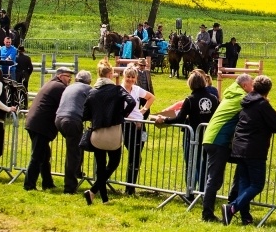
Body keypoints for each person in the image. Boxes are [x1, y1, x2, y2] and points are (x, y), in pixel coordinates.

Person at [222, 75, 276, 226]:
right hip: (254, 150)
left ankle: (245, 216)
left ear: (254, 87)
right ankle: (232, 208)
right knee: (257, 184)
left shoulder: (246, 102)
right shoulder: (262, 104)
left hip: (239, 147)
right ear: (268, 91)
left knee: (244, 182)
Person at [155, 71, 220, 199]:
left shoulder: (189, 100)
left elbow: (179, 119)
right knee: (204, 166)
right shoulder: (214, 99)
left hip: (191, 135)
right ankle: (203, 193)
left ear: (190, 84)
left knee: (191, 164)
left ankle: (190, 194)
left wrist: (164, 119)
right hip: (208, 135)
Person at [201, 73, 254, 223]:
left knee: (242, 163)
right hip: (218, 140)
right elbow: (255, 105)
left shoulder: (233, 93)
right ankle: (207, 214)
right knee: (215, 179)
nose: (253, 88)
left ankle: (233, 203)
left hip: (216, 139)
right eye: (252, 85)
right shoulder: (240, 98)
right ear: (245, 86)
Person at [82, 59, 136, 205]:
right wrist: (122, 115)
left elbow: (85, 114)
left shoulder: (92, 92)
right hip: (114, 133)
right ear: (111, 74)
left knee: (100, 165)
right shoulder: (117, 90)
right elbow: (132, 102)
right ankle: (94, 192)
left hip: (97, 133)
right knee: (114, 162)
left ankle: (103, 199)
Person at [23, 66, 72, 191]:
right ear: (60, 76)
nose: (70, 79)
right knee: (38, 156)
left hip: (35, 123)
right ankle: (29, 184)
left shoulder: (51, 84)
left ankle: (47, 182)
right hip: (40, 125)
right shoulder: (60, 87)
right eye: (68, 76)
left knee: (45, 155)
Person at [55, 70, 93, 194]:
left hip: (59, 118)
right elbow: (93, 104)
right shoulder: (88, 88)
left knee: (78, 145)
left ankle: (77, 172)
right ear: (89, 81)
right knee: (73, 153)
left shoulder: (70, 87)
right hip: (72, 120)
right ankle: (69, 187)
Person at [121, 64, 155, 195]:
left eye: (132, 77)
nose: (130, 79)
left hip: (141, 126)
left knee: (137, 155)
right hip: (128, 125)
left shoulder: (137, 89)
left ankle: (131, 186)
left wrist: (144, 110)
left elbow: (151, 97)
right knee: (134, 156)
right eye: (128, 77)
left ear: (135, 78)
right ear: (124, 76)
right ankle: (130, 187)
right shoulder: (119, 89)